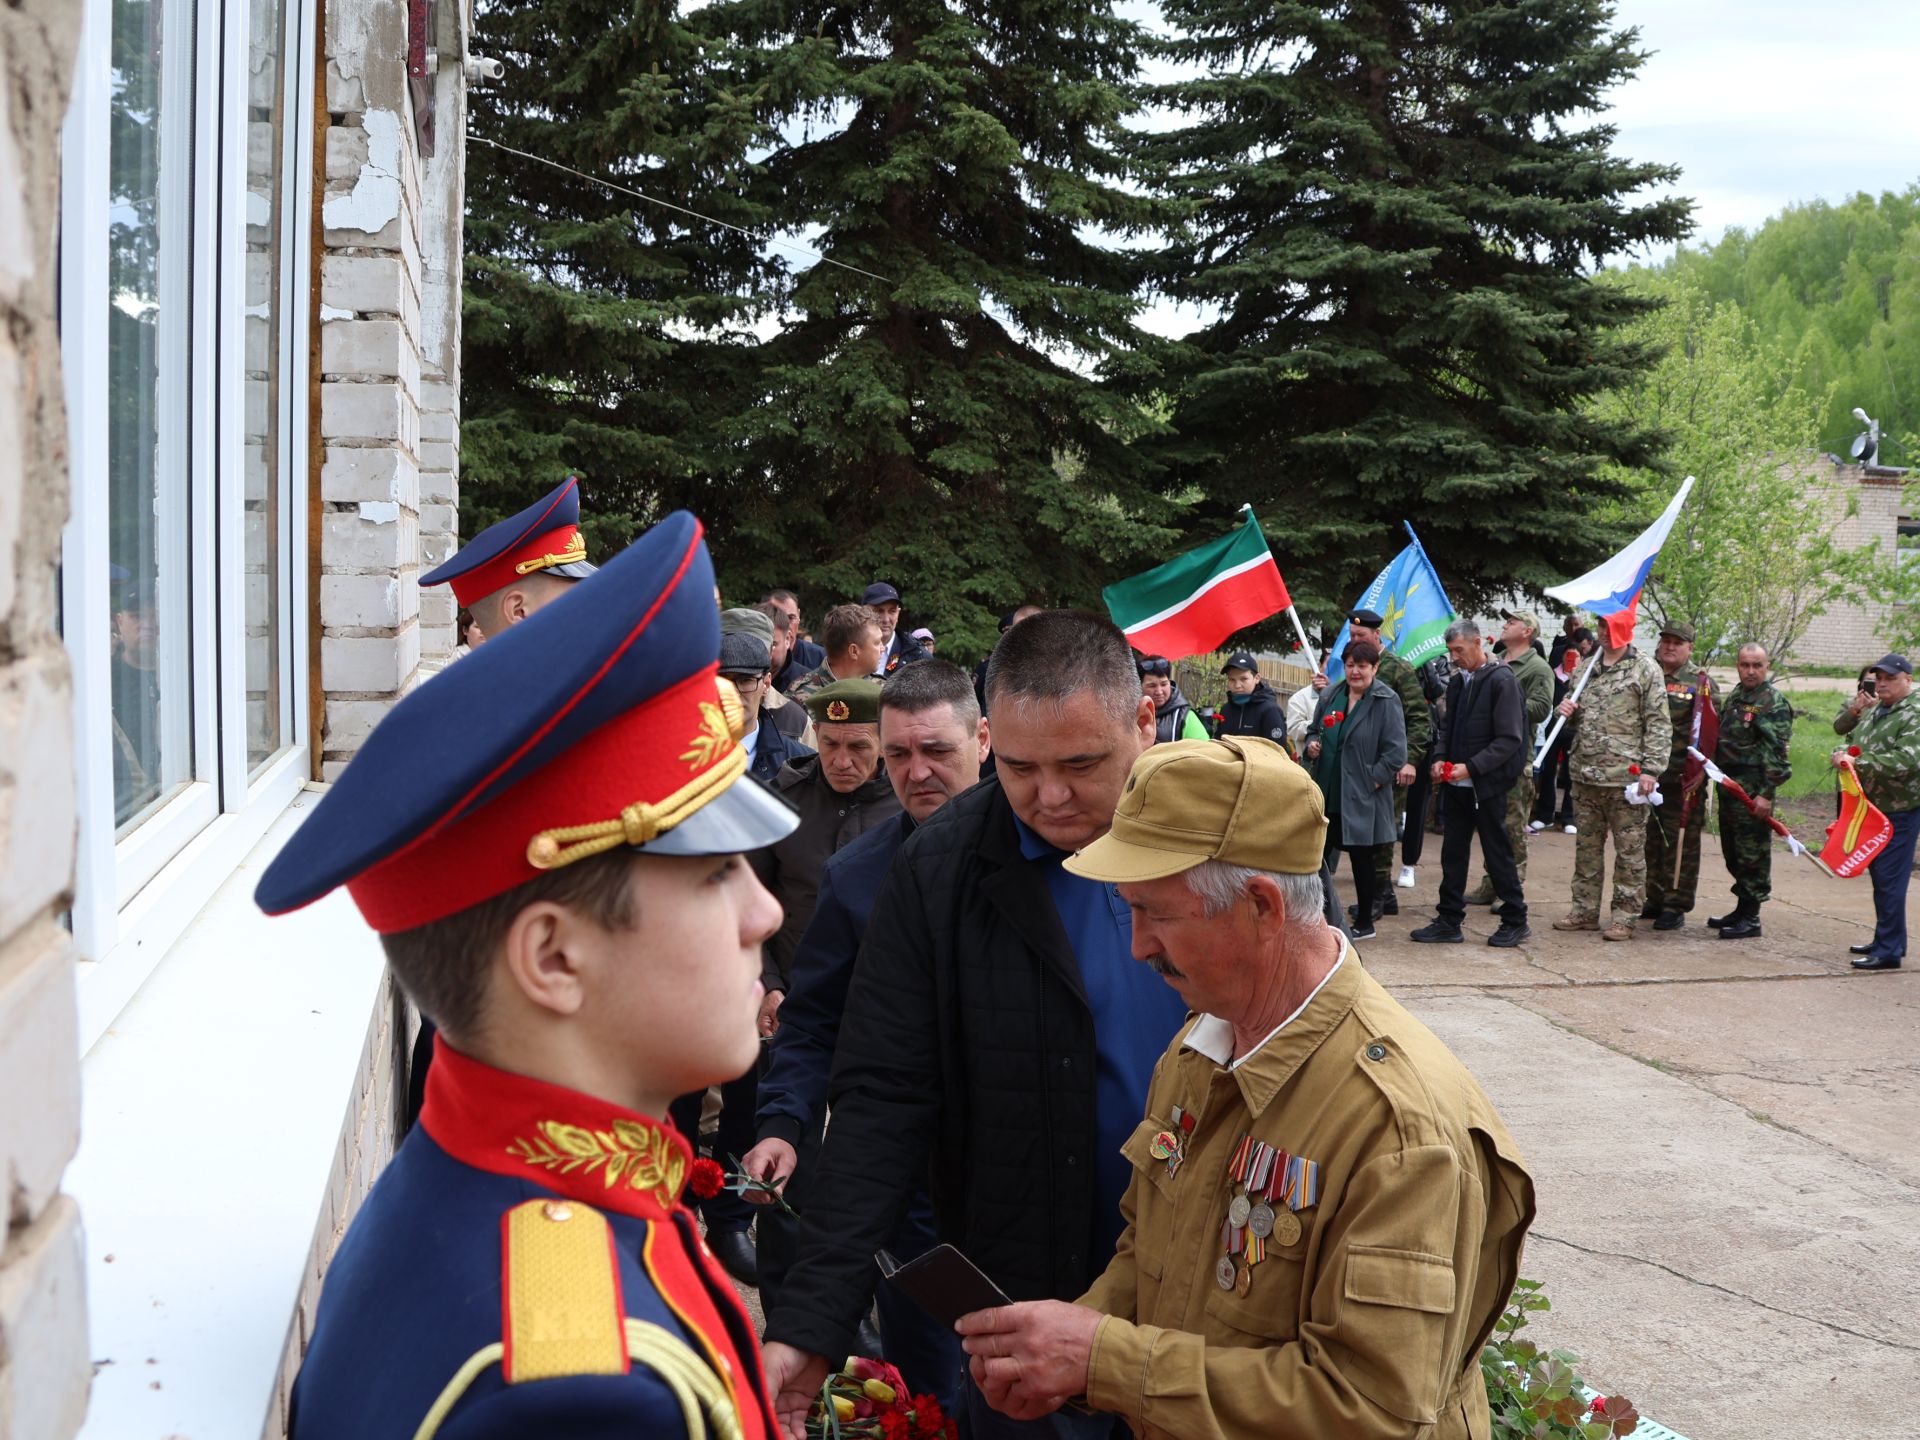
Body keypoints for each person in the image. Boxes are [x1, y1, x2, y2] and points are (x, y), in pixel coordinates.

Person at [250, 511, 793, 1439]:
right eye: (714, 874)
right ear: (552, 958)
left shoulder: (473, 1175)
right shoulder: (585, 1391)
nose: (765, 913)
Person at [952, 738, 1535, 1440]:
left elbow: (1372, 1410)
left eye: (1156, 913)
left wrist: (1104, 1360)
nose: (1137, 945)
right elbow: (1151, 1252)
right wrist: (1065, 1350)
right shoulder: (1204, 1042)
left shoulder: (1400, 1128)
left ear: (1260, 907)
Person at [759, 610, 1193, 1440]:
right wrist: (814, 1318)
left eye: (1081, 764)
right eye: (1023, 768)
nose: (1050, 796)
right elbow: (882, 1096)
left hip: (1204, 1300)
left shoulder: (1220, 837)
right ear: (994, 740)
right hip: (1022, 1310)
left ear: (1145, 721)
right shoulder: (940, 868)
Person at [740, 660, 991, 1410]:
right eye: (900, 754)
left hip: (1033, 1179)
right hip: (909, 1186)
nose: (917, 772)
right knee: (927, 1392)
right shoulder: (857, 877)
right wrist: (783, 1122)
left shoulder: (1054, 856)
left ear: (982, 740)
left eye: (937, 752)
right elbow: (811, 1021)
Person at [407, 475, 602, 1125]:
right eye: (570, 593)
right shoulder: (489, 724)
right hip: (499, 1031)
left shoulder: (538, 709)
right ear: (518, 609)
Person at [1412, 621, 1531, 947]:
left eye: (1459, 651)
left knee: (1497, 853)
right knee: (1453, 852)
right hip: (1457, 785)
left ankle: (1515, 919)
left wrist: (1472, 768)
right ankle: (1449, 919)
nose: (1454, 657)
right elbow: (1448, 728)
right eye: (1450, 651)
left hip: (1488, 786)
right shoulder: (1459, 682)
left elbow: (1509, 739)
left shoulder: (1501, 680)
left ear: (1478, 643)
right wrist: (1440, 757)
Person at [1551, 625, 1665, 940]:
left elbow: (1658, 722)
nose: (1604, 632)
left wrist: (1651, 769)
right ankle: (1584, 911)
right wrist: (1565, 711)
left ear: (1627, 627)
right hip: (1586, 775)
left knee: (1629, 852)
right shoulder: (1587, 668)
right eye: (1601, 625)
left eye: (1612, 626)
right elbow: (1576, 718)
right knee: (1587, 849)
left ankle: (1625, 916)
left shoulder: (1645, 668)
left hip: (1625, 779)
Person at [1314, 609, 1430, 916]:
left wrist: (1409, 761)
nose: (1354, 641)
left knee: (1376, 839)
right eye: (1351, 638)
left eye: (1360, 636)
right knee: (1350, 839)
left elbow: (1418, 718)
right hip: (1347, 774)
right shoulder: (1343, 681)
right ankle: (1378, 896)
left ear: (1376, 635)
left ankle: (1378, 897)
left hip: (1381, 770)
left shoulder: (1399, 671)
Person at [1302, 640, 1405, 939]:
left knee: (1362, 859)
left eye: (1362, 666)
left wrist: (1372, 779)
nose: (1355, 671)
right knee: (1317, 856)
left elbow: (1396, 753)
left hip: (1363, 795)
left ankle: (1365, 922)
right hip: (1329, 789)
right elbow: (1313, 729)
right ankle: (1318, 915)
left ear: (1375, 668)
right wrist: (1312, 746)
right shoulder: (1332, 693)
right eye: (1350, 665)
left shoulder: (1386, 700)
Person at [1833, 653, 1920, 971]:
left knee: (1890, 880)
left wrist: (1859, 762)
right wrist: (1842, 753)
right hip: (1872, 809)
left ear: (1907, 680)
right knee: (1881, 876)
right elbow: (1856, 742)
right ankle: (1890, 939)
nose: (1882, 683)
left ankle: (1888, 951)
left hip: (1899, 808)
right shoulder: (1877, 709)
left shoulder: (1914, 711)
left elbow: (1908, 760)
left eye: (1890, 678)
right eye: (1879, 678)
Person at [1464, 611, 1553, 906]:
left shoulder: (1538, 668)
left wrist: (1502, 700)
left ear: (1528, 631)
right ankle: (1492, 882)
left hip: (1515, 758)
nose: (1505, 625)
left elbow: (1541, 708)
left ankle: (1510, 888)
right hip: (1486, 756)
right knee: (1491, 825)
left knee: (1512, 827)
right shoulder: (1494, 660)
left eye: (1512, 622)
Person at [1705, 644, 1792, 941]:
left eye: (1757, 665)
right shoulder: (1738, 695)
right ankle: (1741, 909)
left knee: (1752, 854)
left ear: (1767, 666)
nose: (1751, 671)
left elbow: (1778, 755)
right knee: (1734, 852)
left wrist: (1766, 795)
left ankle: (1751, 917)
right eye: (1745, 665)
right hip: (1730, 787)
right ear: (1738, 666)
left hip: (1753, 792)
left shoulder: (1772, 702)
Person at [1638, 622, 1718, 930]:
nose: (1670, 647)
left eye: (1677, 642)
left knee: (1680, 844)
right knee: (1651, 840)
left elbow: (1709, 732)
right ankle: (1654, 896)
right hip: (1649, 775)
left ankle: (1675, 903)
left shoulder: (1700, 682)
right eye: (1666, 641)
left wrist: (1700, 772)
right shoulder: (1648, 673)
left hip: (1682, 778)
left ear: (1689, 648)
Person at [720, 631, 815, 789]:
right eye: (723, 681)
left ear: (766, 684)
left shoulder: (800, 762)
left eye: (745, 681)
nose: (734, 693)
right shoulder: (678, 754)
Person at [1531, 626, 1594, 833]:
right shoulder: (1552, 675)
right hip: (1552, 729)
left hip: (1574, 732)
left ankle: (1568, 817)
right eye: (1568, 657)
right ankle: (1545, 814)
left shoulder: (1586, 678)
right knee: (1548, 771)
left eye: (1575, 657)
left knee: (1569, 773)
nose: (1571, 661)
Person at [724, 607, 814, 748]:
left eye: (754, 649)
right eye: (731, 647)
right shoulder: (690, 714)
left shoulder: (795, 721)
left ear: (770, 652)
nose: (741, 656)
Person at [786, 603, 888, 703]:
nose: (882, 648)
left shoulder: (885, 693)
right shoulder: (799, 696)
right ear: (854, 651)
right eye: (877, 643)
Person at [1213, 650, 1288, 743]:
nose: (1237, 685)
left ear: (1257, 678)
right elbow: (1218, 742)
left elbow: (1277, 749)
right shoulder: (1226, 709)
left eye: (1243, 679)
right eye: (1232, 679)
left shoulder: (1270, 710)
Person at [764, 589, 826, 692]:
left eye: (790, 618)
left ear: (798, 616)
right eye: (776, 618)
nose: (785, 625)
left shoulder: (821, 658)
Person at [862, 582, 929, 675]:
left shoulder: (917, 656)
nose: (886, 619)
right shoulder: (847, 649)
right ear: (863, 612)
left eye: (892, 611)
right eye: (879, 611)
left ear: (898, 613)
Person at [1139, 655, 1210, 742]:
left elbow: (1205, 750)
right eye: (1152, 686)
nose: (1159, 691)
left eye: (1164, 684)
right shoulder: (1131, 714)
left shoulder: (1184, 716)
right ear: (1140, 686)